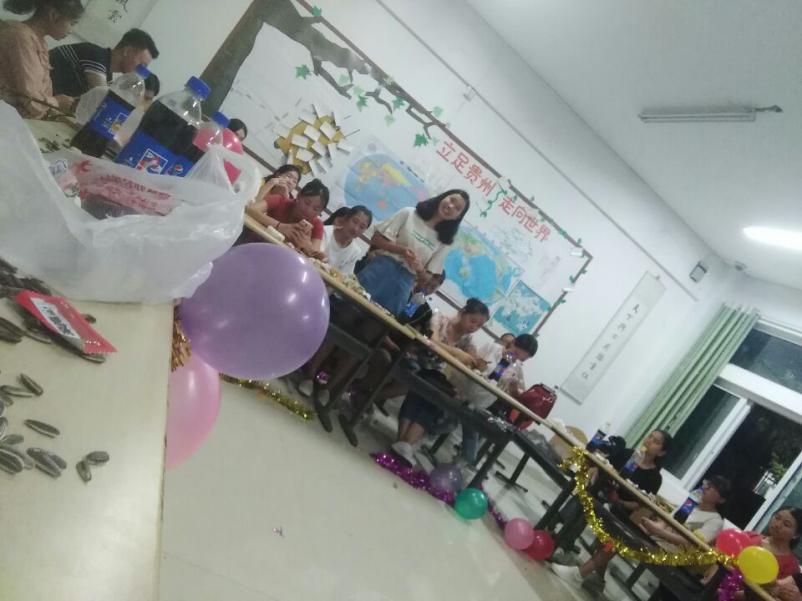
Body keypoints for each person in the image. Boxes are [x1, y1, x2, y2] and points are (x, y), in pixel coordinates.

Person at [551, 429, 673, 594]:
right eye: (650, 436)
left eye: (656, 442)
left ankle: (583, 570)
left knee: (611, 539)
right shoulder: (627, 454)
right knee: (586, 499)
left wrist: (618, 501)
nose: (649, 441)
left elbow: (637, 505)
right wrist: (597, 479)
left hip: (619, 512)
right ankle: (560, 542)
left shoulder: (655, 477)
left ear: (661, 452)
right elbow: (601, 468)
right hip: (601, 495)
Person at [390, 298, 490, 466]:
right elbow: (432, 342)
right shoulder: (440, 319)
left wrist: (477, 363)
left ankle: (403, 443)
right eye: (472, 321)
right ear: (462, 313)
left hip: (437, 377)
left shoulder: (468, 340)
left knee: (441, 393)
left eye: (479, 326)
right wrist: (457, 352)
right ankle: (405, 444)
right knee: (431, 387)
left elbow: (472, 360)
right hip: (416, 361)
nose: (473, 327)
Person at [357, 190, 469, 315]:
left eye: (457, 208)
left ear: (458, 217)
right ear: (443, 197)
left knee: (377, 323)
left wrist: (419, 268)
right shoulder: (409, 213)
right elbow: (376, 239)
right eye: (451, 200)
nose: (451, 206)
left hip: (402, 287)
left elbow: (427, 278)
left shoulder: (444, 242)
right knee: (350, 306)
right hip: (379, 270)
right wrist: (402, 250)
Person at [452, 333, 539, 465]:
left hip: (479, 405)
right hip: (460, 391)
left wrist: (514, 389)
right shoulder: (491, 348)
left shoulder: (516, 368)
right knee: (451, 423)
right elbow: (470, 362)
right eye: (516, 353)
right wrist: (478, 365)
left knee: (475, 435)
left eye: (522, 359)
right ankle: (463, 461)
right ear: (512, 343)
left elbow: (520, 396)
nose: (516, 359)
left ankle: (461, 463)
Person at [0, 0, 83, 118]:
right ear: (54, 15)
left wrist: (48, 104)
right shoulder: (21, 38)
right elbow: (32, 102)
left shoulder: (40, 42)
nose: (71, 31)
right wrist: (57, 102)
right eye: (72, 23)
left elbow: (43, 94)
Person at [49, 27, 158, 97]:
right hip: (39, 95)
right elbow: (102, 99)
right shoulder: (95, 55)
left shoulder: (107, 76)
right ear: (127, 51)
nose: (141, 70)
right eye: (142, 65)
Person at [245, 178, 328, 255]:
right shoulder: (280, 201)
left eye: (316, 209)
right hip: (254, 247)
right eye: (307, 202)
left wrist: (307, 246)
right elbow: (250, 209)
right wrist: (279, 226)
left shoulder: (316, 224)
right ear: (299, 196)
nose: (308, 210)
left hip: (283, 259)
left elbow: (314, 252)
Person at [641, 476, 730, 547]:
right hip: (657, 539)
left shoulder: (715, 521)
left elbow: (692, 544)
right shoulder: (691, 502)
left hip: (672, 553)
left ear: (721, 500)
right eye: (707, 484)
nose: (705, 487)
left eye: (712, 488)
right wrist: (651, 527)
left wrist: (658, 532)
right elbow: (666, 522)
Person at [320, 205, 372, 274]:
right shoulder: (325, 231)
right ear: (346, 218)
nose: (356, 229)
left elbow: (343, 276)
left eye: (362, 227)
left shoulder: (355, 251)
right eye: (354, 221)